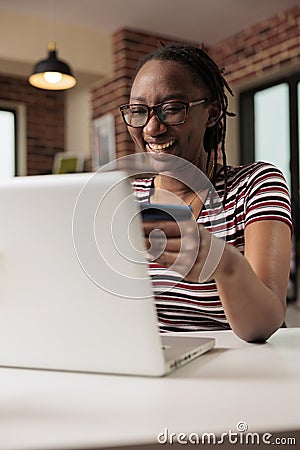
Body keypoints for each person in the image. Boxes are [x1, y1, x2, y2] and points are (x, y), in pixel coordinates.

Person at [119, 43, 292, 342]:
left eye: (172, 109)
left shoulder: (255, 185)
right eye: (138, 111)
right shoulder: (125, 199)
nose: (152, 128)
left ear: (211, 113)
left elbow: (265, 324)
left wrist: (225, 264)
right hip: (153, 363)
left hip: (241, 369)